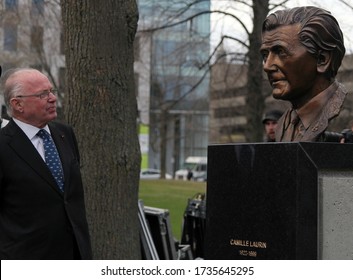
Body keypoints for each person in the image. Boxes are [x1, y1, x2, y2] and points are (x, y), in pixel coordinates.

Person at [0, 67, 92, 259]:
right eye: (42, 94)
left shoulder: (65, 134)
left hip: (75, 255)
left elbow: (68, 197)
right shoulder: (3, 145)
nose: (52, 98)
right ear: (18, 104)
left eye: (51, 91)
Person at [260, 6, 347, 142]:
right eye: (265, 55)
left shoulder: (345, 112)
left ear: (322, 59)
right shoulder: (283, 124)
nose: (267, 66)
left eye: (280, 52)